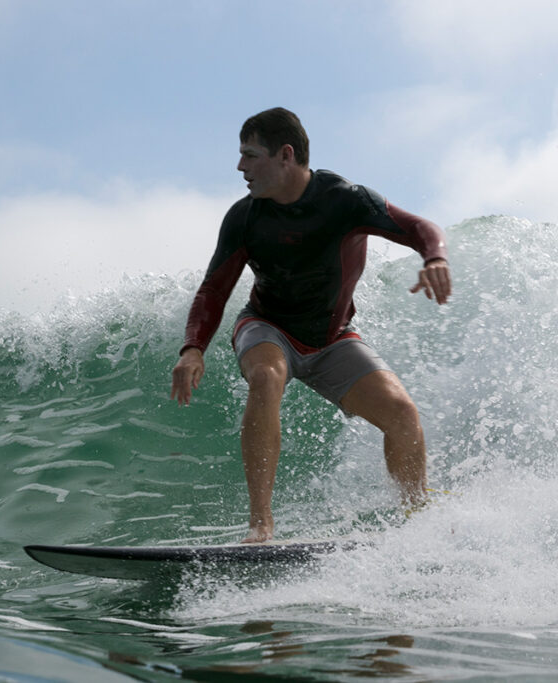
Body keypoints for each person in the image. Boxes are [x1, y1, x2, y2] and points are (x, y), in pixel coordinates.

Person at [170, 107, 451, 543]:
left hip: (332, 338)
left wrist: (433, 256)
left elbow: (420, 227)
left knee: (402, 413)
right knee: (266, 376)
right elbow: (213, 290)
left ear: (285, 155)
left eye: (250, 155)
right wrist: (193, 348)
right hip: (267, 327)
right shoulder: (245, 218)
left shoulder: (346, 200)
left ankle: (418, 521)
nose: (240, 166)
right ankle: (261, 524)